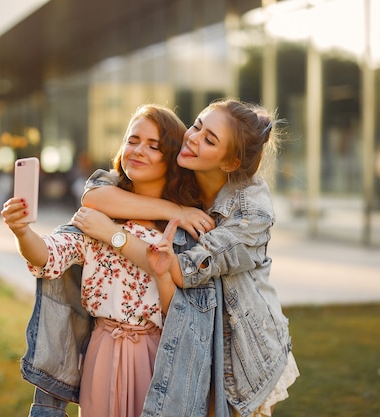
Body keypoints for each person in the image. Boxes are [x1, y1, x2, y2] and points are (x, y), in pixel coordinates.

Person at [73, 99, 299, 417]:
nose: (192, 138)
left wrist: (114, 235)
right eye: (196, 125)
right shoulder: (184, 171)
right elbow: (95, 195)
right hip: (193, 337)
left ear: (231, 162)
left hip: (241, 351)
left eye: (209, 140)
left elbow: (180, 270)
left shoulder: (251, 211)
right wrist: (174, 210)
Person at [1, 104, 202, 417]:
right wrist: (22, 231)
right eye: (132, 140)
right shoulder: (98, 216)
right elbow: (49, 255)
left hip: (159, 356)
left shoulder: (182, 231)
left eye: (154, 146)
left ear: (172, 158)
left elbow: (184, 312)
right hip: (102, 352)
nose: (138, 151)